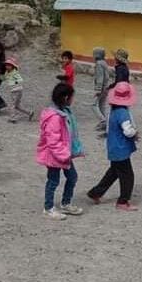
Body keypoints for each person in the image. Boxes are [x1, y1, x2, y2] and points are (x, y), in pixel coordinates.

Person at [87, 82, 139, 211]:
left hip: (113, 146)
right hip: (121, 149)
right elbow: (128, 130)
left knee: (113, 172)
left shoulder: (113, 112)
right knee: (127, 176)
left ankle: (96, 192)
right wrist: (135, 133)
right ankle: (123, 201)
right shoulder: (123, 113)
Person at [36, 83, 85, 220]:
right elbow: (53, 141)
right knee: (53, 181)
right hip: (55, 156)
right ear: (66, 97)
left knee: (72, 177)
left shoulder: (65, 112)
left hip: (64, 154)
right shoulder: (55, 118)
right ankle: (48, 207)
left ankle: (66, 203)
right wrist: (64, 154)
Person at [1, 57, 34, 123]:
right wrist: (0, 76)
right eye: (6, 65)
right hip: (14, 90)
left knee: (12, 105)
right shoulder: (7, 73)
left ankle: (13, 118)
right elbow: (4, 78)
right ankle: (29, 112)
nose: (7, 66)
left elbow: (20, 80)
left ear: (13, 66)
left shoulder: (15, 73)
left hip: (16, 90)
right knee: (17, 106)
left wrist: (14, 83)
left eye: (9, 65)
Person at [92, 47, 110, 132]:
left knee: (93, 105)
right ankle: (105, 123)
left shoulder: (99, 64)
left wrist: (98, 90)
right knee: (102, 105)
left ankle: (103, 121)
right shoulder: (104, 63)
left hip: (101, 88)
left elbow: (100, 77)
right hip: (106, 87)